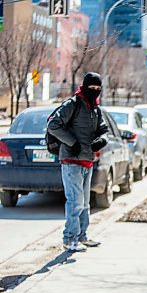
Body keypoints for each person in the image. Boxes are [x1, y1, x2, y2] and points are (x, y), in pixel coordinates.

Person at [48, 72, 108, 252]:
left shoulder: (95, 109)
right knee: (75, 201)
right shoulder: (72, 104)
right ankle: (69, 239)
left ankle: (82, 236)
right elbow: (53, 124)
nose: (95, 91)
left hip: (87, 160)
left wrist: (102, 140)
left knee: (84, 202)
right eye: (92, 88)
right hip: (71, 159)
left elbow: (103, 129)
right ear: (84, 87)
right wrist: (71, 142)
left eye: (98, 89)